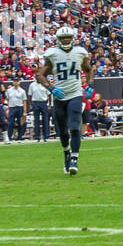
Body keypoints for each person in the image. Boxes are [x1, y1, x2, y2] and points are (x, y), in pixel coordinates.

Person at [35, 25, 92, 175]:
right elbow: (40, 75)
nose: (66, 40)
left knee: (74, 127)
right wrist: (51, 88)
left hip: (75, 93)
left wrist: (89, 85)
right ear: (58, 40)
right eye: (63, 38)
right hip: (59, 96)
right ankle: (67, 153)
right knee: (62, 132)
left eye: (68, 37)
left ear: (72, 38)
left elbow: (89, 69)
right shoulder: (52, 54)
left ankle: (74, 158)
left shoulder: (80, 52)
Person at [28, 76, 52, 142]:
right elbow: (30, 95)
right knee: (36, 120)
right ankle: (37, 137)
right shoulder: (32, 85)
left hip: (44, 103)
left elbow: (49, 95)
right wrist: (30, 104)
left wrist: (49, 104)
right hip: (35, 103)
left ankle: (46, 136)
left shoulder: (45, 84)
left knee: (45, 120)